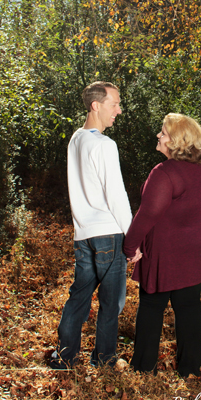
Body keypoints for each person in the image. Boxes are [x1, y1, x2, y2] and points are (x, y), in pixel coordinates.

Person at [123, 113, 201, 378]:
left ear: (177, 140)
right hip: (197, 252)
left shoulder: (164, 172)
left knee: (151, 307)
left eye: (163, 133)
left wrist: (129, 246)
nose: (158, 135)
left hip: (167, 254)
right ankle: (190, 369)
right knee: (189, 307)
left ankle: (144, 369)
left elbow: (147, 214)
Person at [51, 81, 134, 369]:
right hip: (108, 235)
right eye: (114, 104)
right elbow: (116, 195)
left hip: (83, 234)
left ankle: (65, 356)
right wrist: (133, 237)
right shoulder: (104, 144)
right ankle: (104, 359)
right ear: (96, 105)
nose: (119, 111)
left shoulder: (76, 139)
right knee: (111, 302)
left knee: (80, 295)